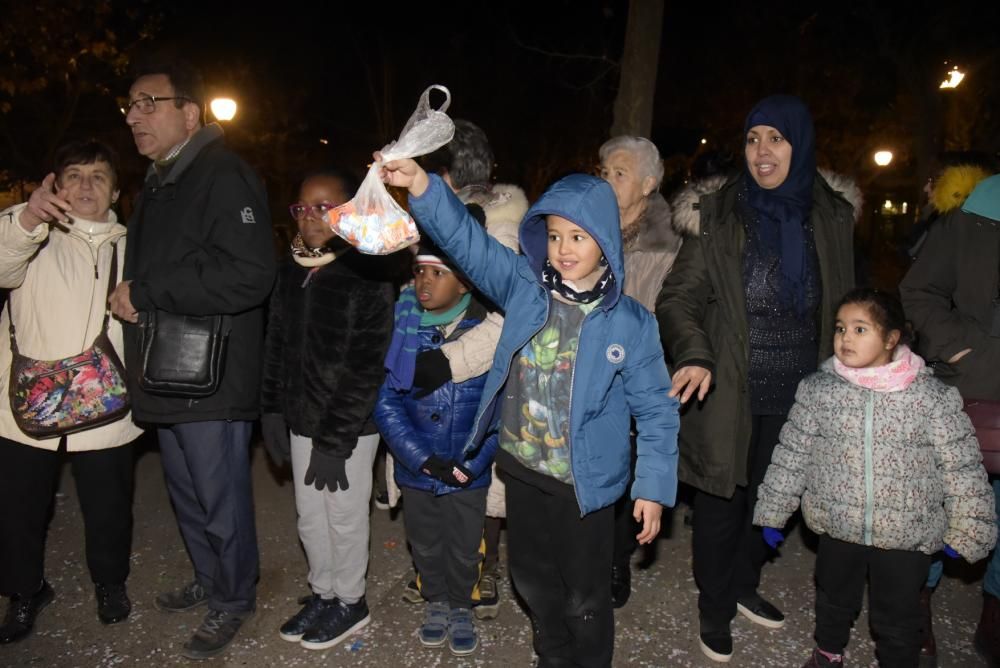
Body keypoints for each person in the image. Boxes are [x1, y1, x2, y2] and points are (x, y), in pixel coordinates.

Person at [379, 155, 679, 667]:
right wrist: (424, 186)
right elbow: (468, 245)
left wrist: (652, 485)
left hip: (584, 486)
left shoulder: (630, 322)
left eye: (579, 238)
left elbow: (655, 410)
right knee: (533, 581)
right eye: (556, 235)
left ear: (605, 242)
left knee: (584, 596)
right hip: (523, 470)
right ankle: (553, 655)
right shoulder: (524, 289)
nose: (564, 249)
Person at [656, 94, 856, 662]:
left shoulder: (832, 216)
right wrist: (694, 353)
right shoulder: (717, 214)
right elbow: (677, 298)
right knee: (723, 502)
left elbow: (845, 299)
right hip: (728, 386)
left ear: (801, 142)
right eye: (752, 139)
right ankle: (714, 606)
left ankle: (743, 581)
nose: (762, 151)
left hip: (802, 389)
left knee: (774, 503)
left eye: (776, 138)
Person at [108, 57, 276, 659]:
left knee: (219, 496)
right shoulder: (161, 180)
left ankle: (233, 598)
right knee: (187, 494)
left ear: (190, 112)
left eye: (149, 103)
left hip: (212, 374)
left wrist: (148, 292)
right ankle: (211, 579)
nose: (135, 116)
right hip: (169, 369)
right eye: (130, 106)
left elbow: (252, 275)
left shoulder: (222, 173)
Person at [754, 288, 997, 668]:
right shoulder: (820, 391)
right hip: (839, 524)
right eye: (839, 328)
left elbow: (961, 467)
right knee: (833, 597)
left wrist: (969, 530)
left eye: (860, 329)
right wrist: (772, 511)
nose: (845, 338)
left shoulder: (930, 398)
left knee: (899, 615)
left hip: (906, 533)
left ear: (891, 338)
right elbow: (792, 454)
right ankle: (828, 652)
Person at [0, 140, 144, 643]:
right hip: (26, 403)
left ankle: (110, 583)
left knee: (108, 505)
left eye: (99, 176)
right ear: (55, 185)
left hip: (106, 406)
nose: (86, 185)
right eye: (75, 175)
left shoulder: (136, 247)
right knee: (18, 507)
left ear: (117, 192)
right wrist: (24, 220)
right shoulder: (29, 232)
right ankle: (25, 589)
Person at [259, 170, 398, 650]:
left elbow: (366, 368)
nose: (312, 217)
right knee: (309, 516)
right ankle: (323, 591)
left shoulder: (368, 275)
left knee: (344, 515)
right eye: (303, 208)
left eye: (324, 207)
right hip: (301, 419)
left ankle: (350, 601)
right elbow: (276, 343)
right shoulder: (291, 271)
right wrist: (272, 411)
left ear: (348, 212)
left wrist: (336, 443)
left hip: (349, 429)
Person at [405, 119, 528, 619]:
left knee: (479, 480)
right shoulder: (450, 217)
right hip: (443, 366)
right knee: (441, 476)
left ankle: (482, 568)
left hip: (476, 368)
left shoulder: (500, 229)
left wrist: (445, 361)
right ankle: (439, 571)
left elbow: (507, 320)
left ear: (446, 172)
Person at [374, 245, 496, 657]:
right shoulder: (403, 330)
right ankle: (437, 603)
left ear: (464, 283)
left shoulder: (484, 337)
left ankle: (462, 606)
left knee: (465, 545)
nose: (425, 281)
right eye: (420, 271)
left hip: (466, 472)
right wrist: (421, 459)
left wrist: (474, 462)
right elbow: (386, 403)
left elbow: (499, 411)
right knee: (424, 542)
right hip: (418, 470)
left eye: (438, 273)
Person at [900, 172, 1000, 665]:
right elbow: (919, 290)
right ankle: (919, 603)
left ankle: (995, 613)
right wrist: (963, 349)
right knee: (945, 503)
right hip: (971, 390)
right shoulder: (973, 216)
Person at [598, 134, 682, 607]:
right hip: (585, 368)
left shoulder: (668, 247)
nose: (608, 180)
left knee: (625, 473)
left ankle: (616, 560)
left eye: (620, 173)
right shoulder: (586, 230)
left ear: (649, 183)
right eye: (605, 171)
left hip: (635, 373)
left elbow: (669, 315)